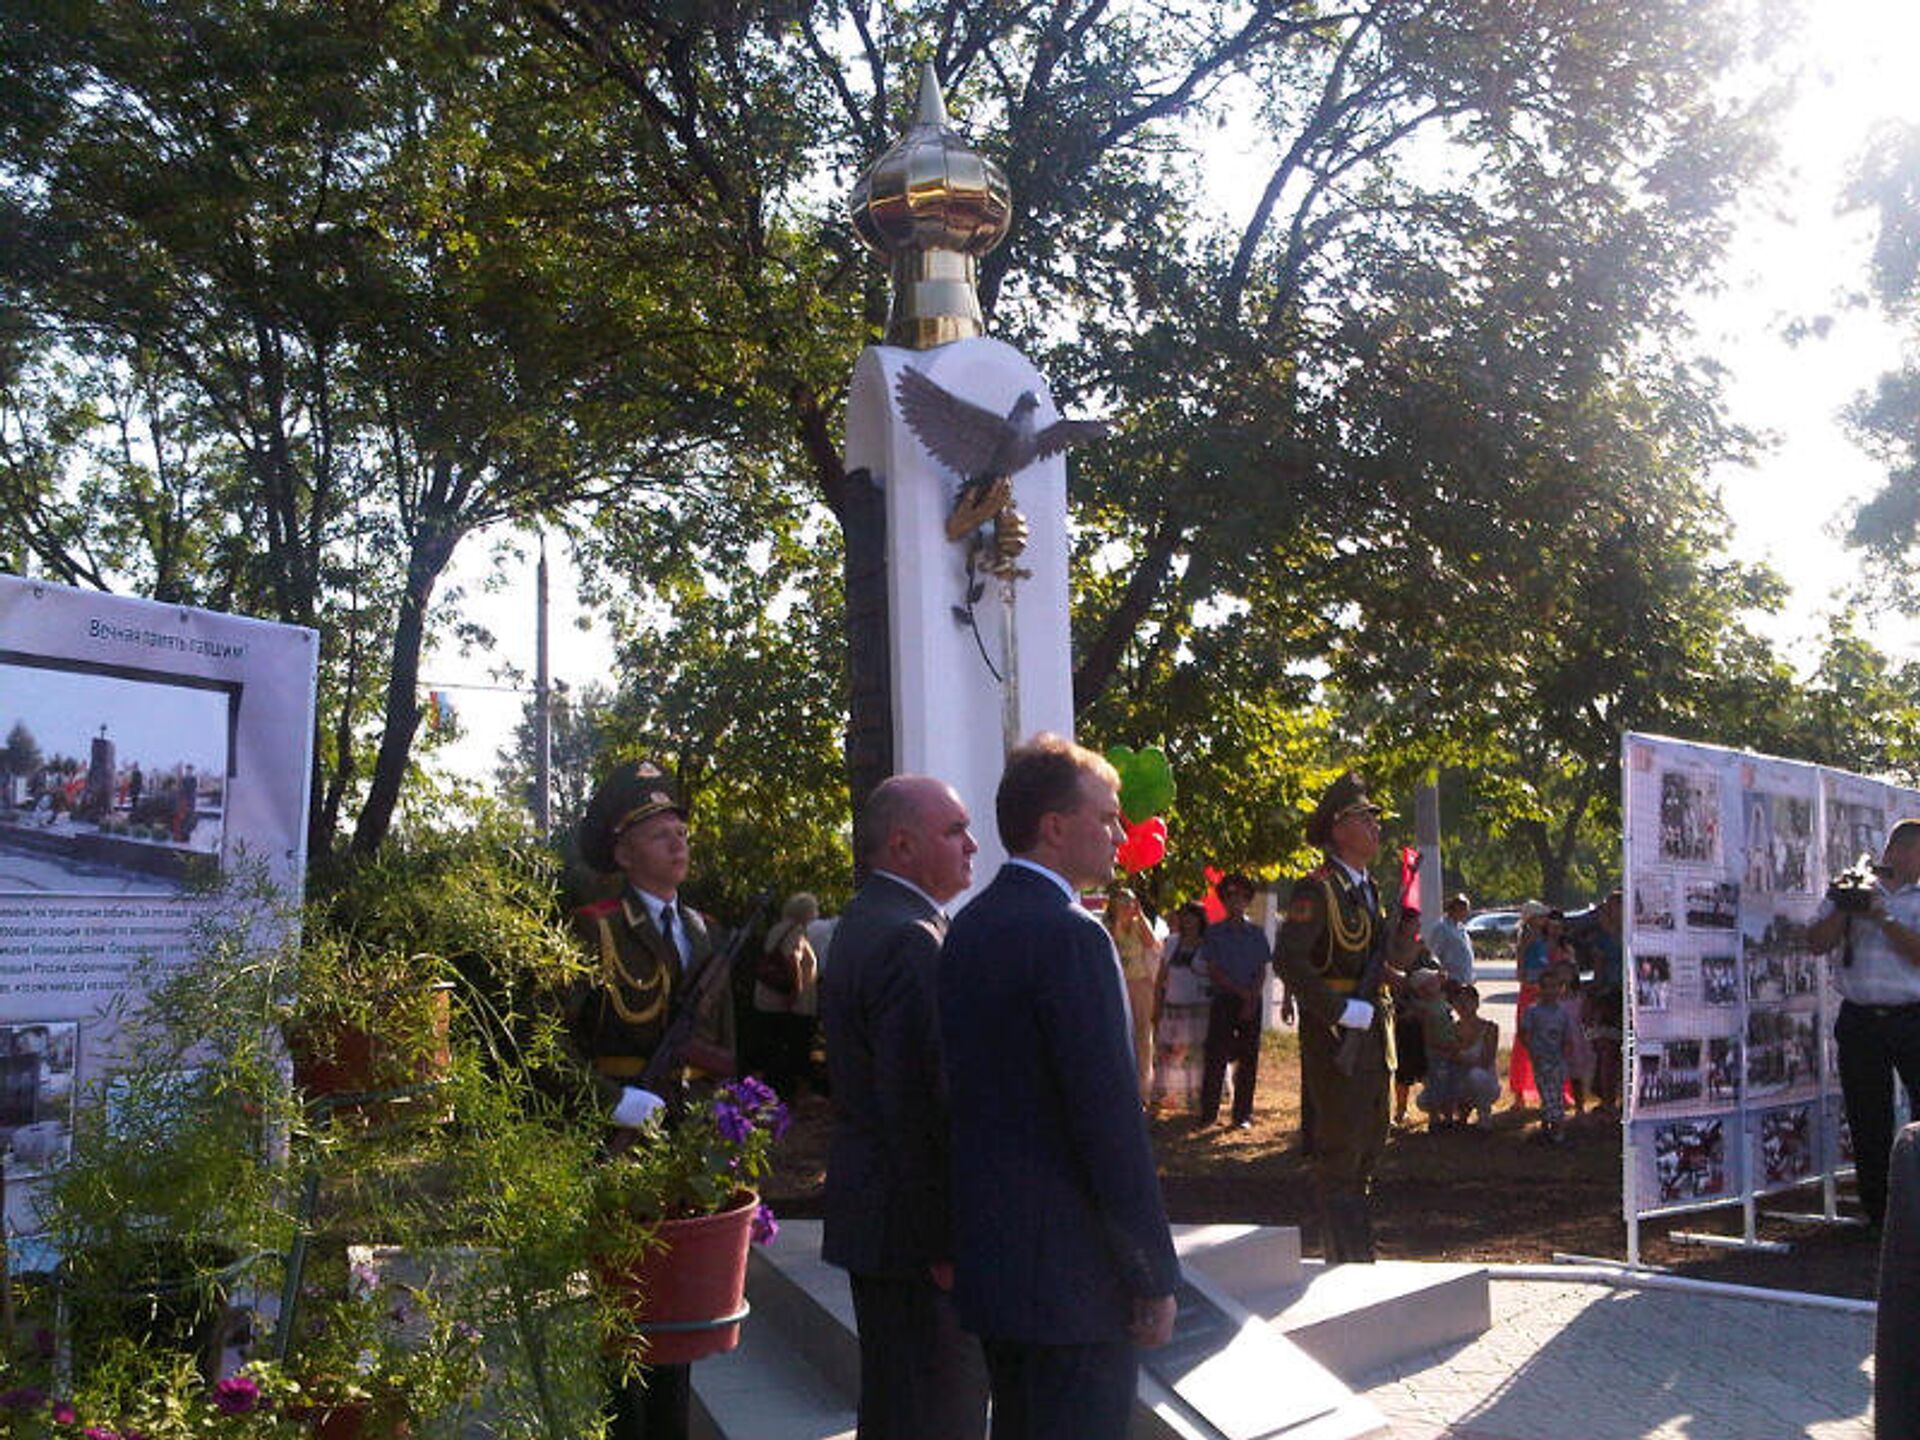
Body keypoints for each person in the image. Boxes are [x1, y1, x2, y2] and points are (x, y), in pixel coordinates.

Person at [938, 734, 1179, 1440]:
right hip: (1074, 1279)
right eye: (1105, 818)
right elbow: (1107, 1121)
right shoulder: (1072, 936)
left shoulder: (970, 926)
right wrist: (1152, 1273)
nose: (1121, 835)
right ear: (1053, 826)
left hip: (1000, 1264)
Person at [567, 760, 736, 1440]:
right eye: (659, 832)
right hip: (619, 1149)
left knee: (682, 1324)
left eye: (681, 830)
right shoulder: (594, 929)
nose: (678, 842)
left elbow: (723, 1052)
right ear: (623, 853)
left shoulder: (706, 932)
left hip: (689, 1155)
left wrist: (725, 1135)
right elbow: (542, 1047)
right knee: (623, 1327)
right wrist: (613, 1103)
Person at [821, 775, 989, 1440]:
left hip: (885, 1224)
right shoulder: (909, 938)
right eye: (954, 831)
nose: (972, 846)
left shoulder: (872, 920)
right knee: (935, 1413)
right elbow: (918, 1105)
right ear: (902, 845)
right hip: (913, 1237)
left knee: (900, 1408)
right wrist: (945, 1241)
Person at [1273, 771, 1414, 1264]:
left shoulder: (1367, 887)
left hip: (1374, 1032)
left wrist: (1400, 975)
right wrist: (1338, 1011)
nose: (1376, 827)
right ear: (1338, 829)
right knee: (1341, 1149)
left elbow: (1365, 959)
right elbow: (1289, 960)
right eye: (1364, 818)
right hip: (1337, 1039)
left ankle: (1356, 1251)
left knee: (1371, 1141)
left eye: (1375, 818)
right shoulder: (1317, 890)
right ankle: (1347, 1257)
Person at [1806, 817, 1920, 1230]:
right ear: (1896, 851)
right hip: (1861, 1019)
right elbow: (1816, 943)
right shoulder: (1852, 885)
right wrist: (1846, 906)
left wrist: (1882, 917)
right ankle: (1881, 1216)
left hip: (1912, 1017)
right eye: (1914, 853)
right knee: (1867, 1117)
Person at [1197, 871, 1267, 1129]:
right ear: (1224, 901)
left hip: (1251, 1001)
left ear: (1248, 900)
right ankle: (1209, 1113)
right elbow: (1213, 969)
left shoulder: (1257, 933)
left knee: (1248, 1059)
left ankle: (1242, 1115)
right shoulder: (1214, 933)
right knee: (1216, 1056)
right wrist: (1240, 992)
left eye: (1241, 897)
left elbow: (1262, 969)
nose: (1235, 901)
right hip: (1224, 999)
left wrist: (1251, 997)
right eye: (1230, 897)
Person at [755, 891, 821, 1099]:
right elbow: (793, 958)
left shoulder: (778, 928)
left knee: (773, 1049)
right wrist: (796, 991)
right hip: (789, 1004)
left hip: (768, 1001)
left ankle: (772, 1093)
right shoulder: (796, 931)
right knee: (793, 1050)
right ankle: (789, 1095)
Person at [1151, 903, 1210, 1115]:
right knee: (1168, 1054)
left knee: (1196, 1057)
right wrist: (1157, 1006)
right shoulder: (1171, 942)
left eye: (1192, 917)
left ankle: (1196, 1097)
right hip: (1172, 1007)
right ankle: (1164, 1096)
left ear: (1200, 920)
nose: (1187, 921)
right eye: (1184, 916)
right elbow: (1161, 977)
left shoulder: (1209, 945)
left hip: (1199, 1009)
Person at [1105, 887, 1161, 1104]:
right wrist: (1119, 922)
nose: (1126, 906)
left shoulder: (1139, 924)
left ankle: (1143, 1087)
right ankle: (1121, 1085)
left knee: (1143, 1034)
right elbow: (1110, 945)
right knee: (1119, 1032)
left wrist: (1140, 915)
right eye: (1121, 902)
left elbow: (1151, 943)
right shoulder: (1107, 925)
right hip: (1117, 984)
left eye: (1129, 902)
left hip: (1141, 983)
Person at [1518, 964, 1580, 1144]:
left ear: (1561, 988)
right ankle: (1549, 1126)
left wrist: (1566, 1054)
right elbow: (1524, 1032)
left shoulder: (1563, 1012)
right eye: (1546, 987)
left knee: (1555, 1094)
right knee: (1547, 1093)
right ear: (1539, 988)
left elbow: (1567, 1037)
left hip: (1558, 1060)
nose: (1550, 991)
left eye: (1554, 987)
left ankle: (1556, 1129)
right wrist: (1532, 1049)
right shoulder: (1533, 1011)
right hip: (1540, 1060)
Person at [1448, 985, 1501, 1129]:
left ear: (1477, 1003)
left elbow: (1486, 1061)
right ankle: (1459, 1115)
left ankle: (1484, 1115)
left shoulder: (1490, 1028)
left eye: (1468, 1000)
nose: (1463, 1005)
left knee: (1476, 1075)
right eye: (1458, 1001)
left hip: (1485, 1082)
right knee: (1427, 1096)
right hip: (1460, 1081)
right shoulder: (1451, 1029)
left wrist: (1459, 1058)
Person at [1428, 893, 1476, 989]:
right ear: (1452, 909)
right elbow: (1433, 953)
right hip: (1452, 980)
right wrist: (1440, 973)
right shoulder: (1442, 928)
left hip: (1465, 979)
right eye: (1462, 909)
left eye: (1466, 909)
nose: (1465, 913)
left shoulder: (1461, 928)